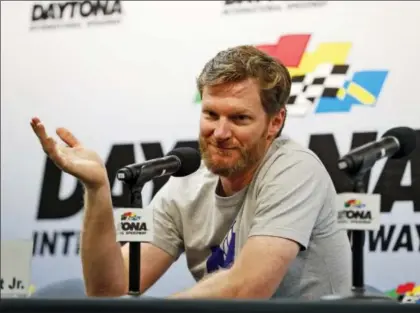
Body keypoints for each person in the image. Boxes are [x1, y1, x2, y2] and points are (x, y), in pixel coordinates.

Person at [30, 45, 352, 300]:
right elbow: (109, 291)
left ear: (275, 122)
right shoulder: (186, 184)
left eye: (239, 119)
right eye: (211, 114)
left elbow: (247, 289)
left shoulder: (294, 170)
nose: (220, 132)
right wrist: (97, 189)